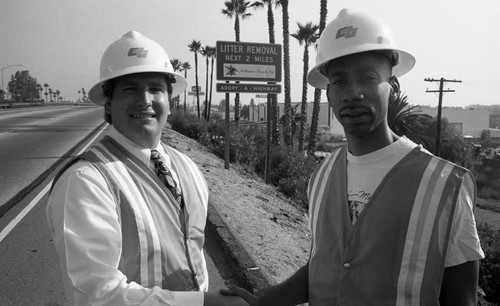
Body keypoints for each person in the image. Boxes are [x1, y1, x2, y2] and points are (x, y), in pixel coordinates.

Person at [222, 8, 485, 306]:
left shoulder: (443, 186)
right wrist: (262, 300)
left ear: (393, 87)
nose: (353, 93)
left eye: (368, 77)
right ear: (328, 94)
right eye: (339, 81)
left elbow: (462, 297)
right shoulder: (323, 174)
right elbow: (324, 267)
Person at [46, 31, 248, 306]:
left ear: (169, 98)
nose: (145, 99)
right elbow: (94, 294)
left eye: (155, 88)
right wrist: (203, 304)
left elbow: (193, 254)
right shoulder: (86, 180)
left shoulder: (186, 167)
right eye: (130, 89)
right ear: (109, 101)